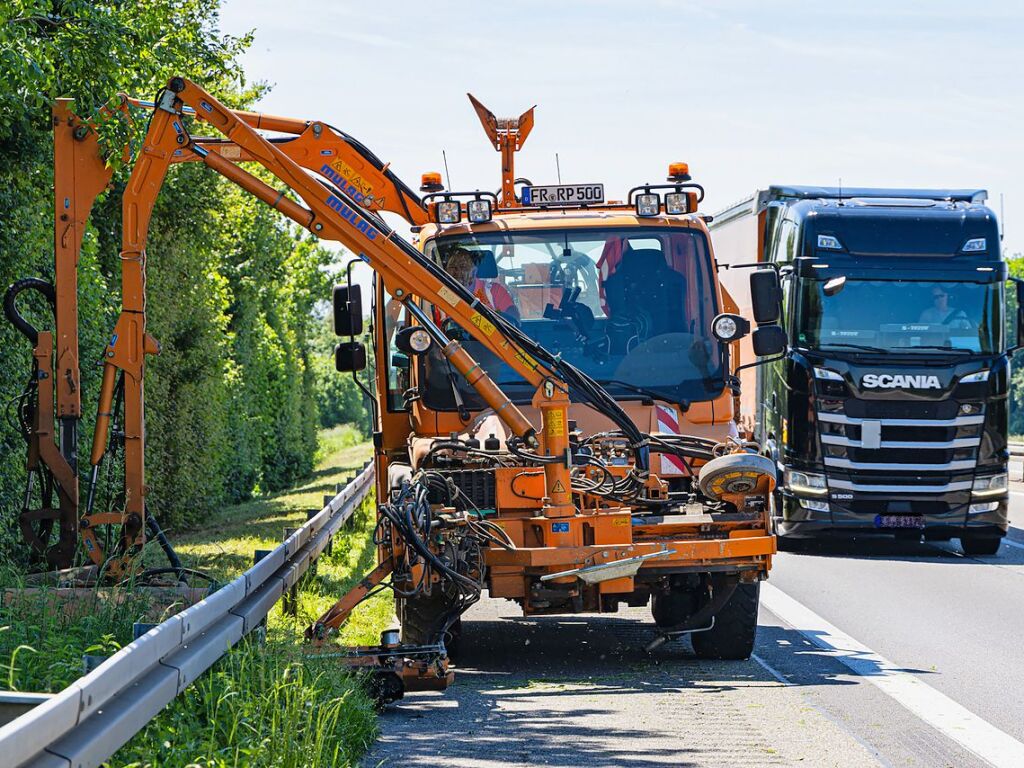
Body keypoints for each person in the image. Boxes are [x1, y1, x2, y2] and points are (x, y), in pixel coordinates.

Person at [445, 247, 520, 322]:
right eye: (453, 267)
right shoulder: (439, 291)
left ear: (474, 271)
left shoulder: (494, 292)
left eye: (463, 267)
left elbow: (513, 322)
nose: (457, 272)